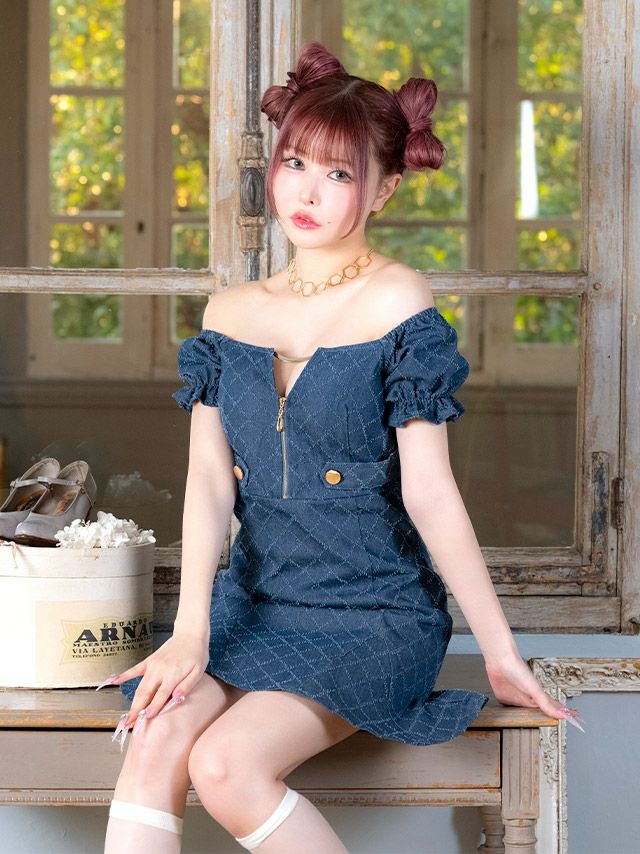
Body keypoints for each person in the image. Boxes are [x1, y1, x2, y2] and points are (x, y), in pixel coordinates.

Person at [102, 40, 583, 854]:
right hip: (258, 604)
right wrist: (189, 632)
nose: (307, 191)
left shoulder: (398, 301)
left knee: (225, 765)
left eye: (338, 173)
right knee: (153, 737)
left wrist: (501, 652)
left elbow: (431, 493)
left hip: (374, 615)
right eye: (295, 162)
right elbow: (209, 482)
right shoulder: (227, 315)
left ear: (385, 187)